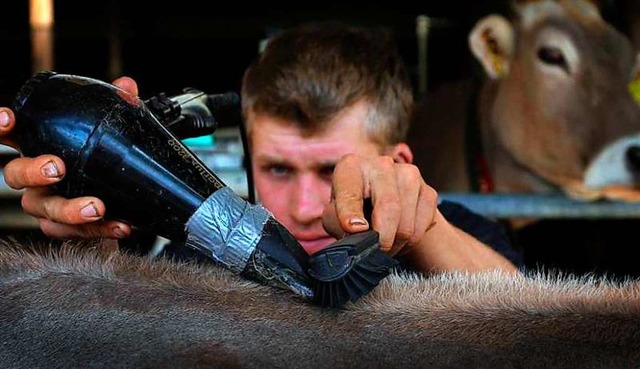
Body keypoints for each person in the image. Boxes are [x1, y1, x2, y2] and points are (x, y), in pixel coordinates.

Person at [0, 21, 521, 274]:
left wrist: (425, 230)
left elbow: (534, 331)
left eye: (334, 171)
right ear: (249, 159)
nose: (305, 210)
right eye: (276, 169)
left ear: (400, 163)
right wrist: (92, 251)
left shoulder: (463, 238)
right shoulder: (196, 255)